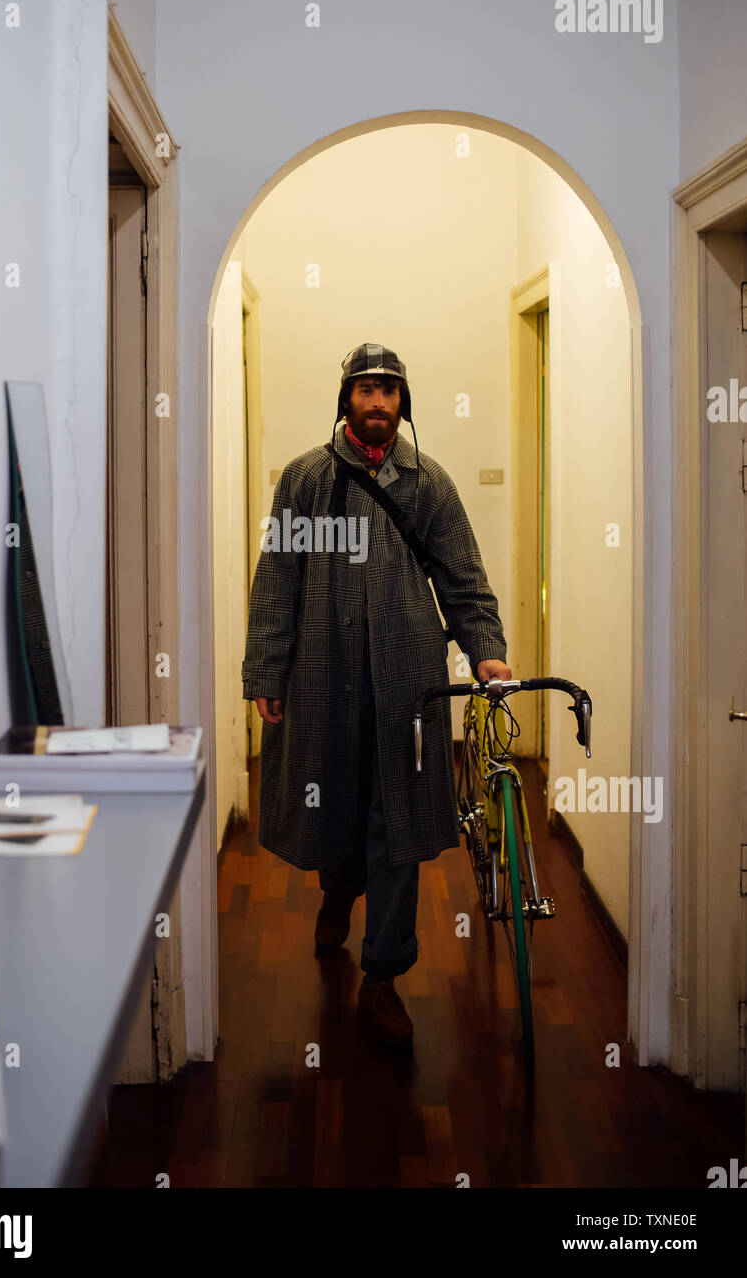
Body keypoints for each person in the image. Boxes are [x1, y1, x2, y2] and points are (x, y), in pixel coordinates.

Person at [242, 342, 511, 1049]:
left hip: (406, 680)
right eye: (365, 389)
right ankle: (338, 889)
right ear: (345, 400)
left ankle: (383, 977)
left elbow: (464, 579)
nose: (377, 402)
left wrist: (487, 652)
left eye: (389, 390)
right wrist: (267, 674)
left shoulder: (429, 485)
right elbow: (276, 580)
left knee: (396, 818)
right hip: (322, 674)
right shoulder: (306, 480)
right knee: (330, 798)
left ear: (403, 401)